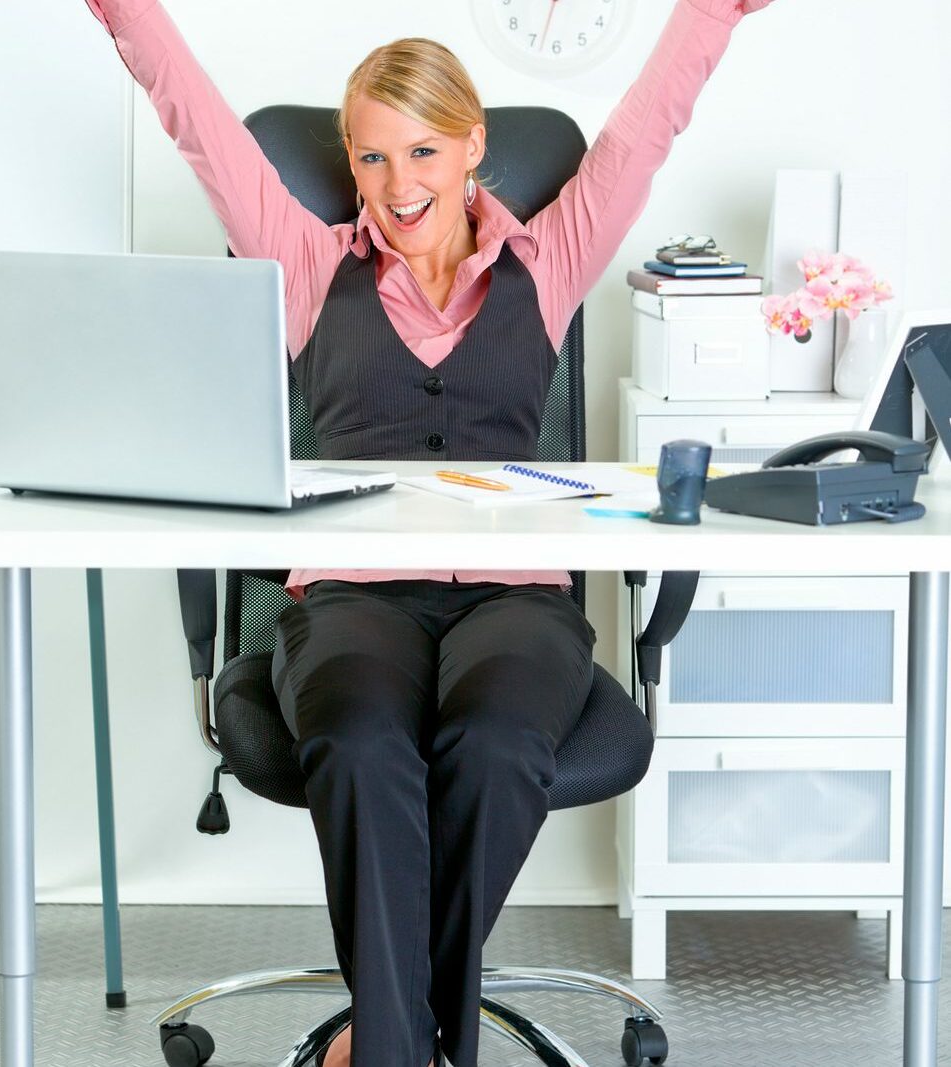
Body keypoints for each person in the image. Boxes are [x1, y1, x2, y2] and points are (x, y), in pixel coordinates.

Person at [83, 1, 776, 1064]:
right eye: (369, 157)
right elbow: (196, 122)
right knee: (358, 742)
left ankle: (391, 1031)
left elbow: (645, 129)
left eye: (420, 150)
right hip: (352, 594)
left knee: (495, 744)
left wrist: (712, 12)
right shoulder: (308, 264)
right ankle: (425, 1040)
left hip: (516, 597)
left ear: (471, 148)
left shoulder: (550, 259)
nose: (396, 183)